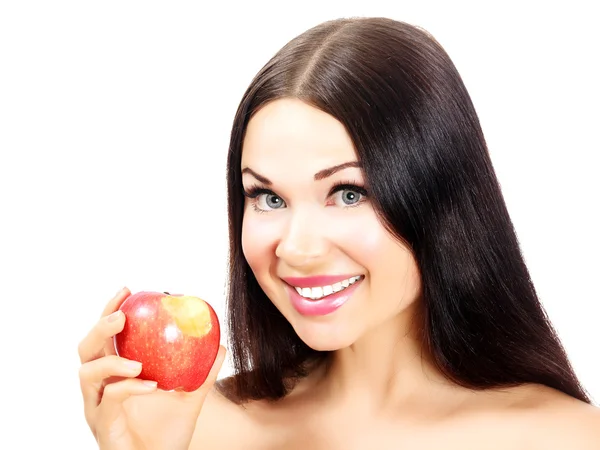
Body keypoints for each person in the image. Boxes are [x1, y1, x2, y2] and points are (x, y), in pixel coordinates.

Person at [78, 17, 600, 449]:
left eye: (349, 193)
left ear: (437, 196)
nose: (298, 249)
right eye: (268, 197)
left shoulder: (566, 438)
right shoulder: (197, 428)